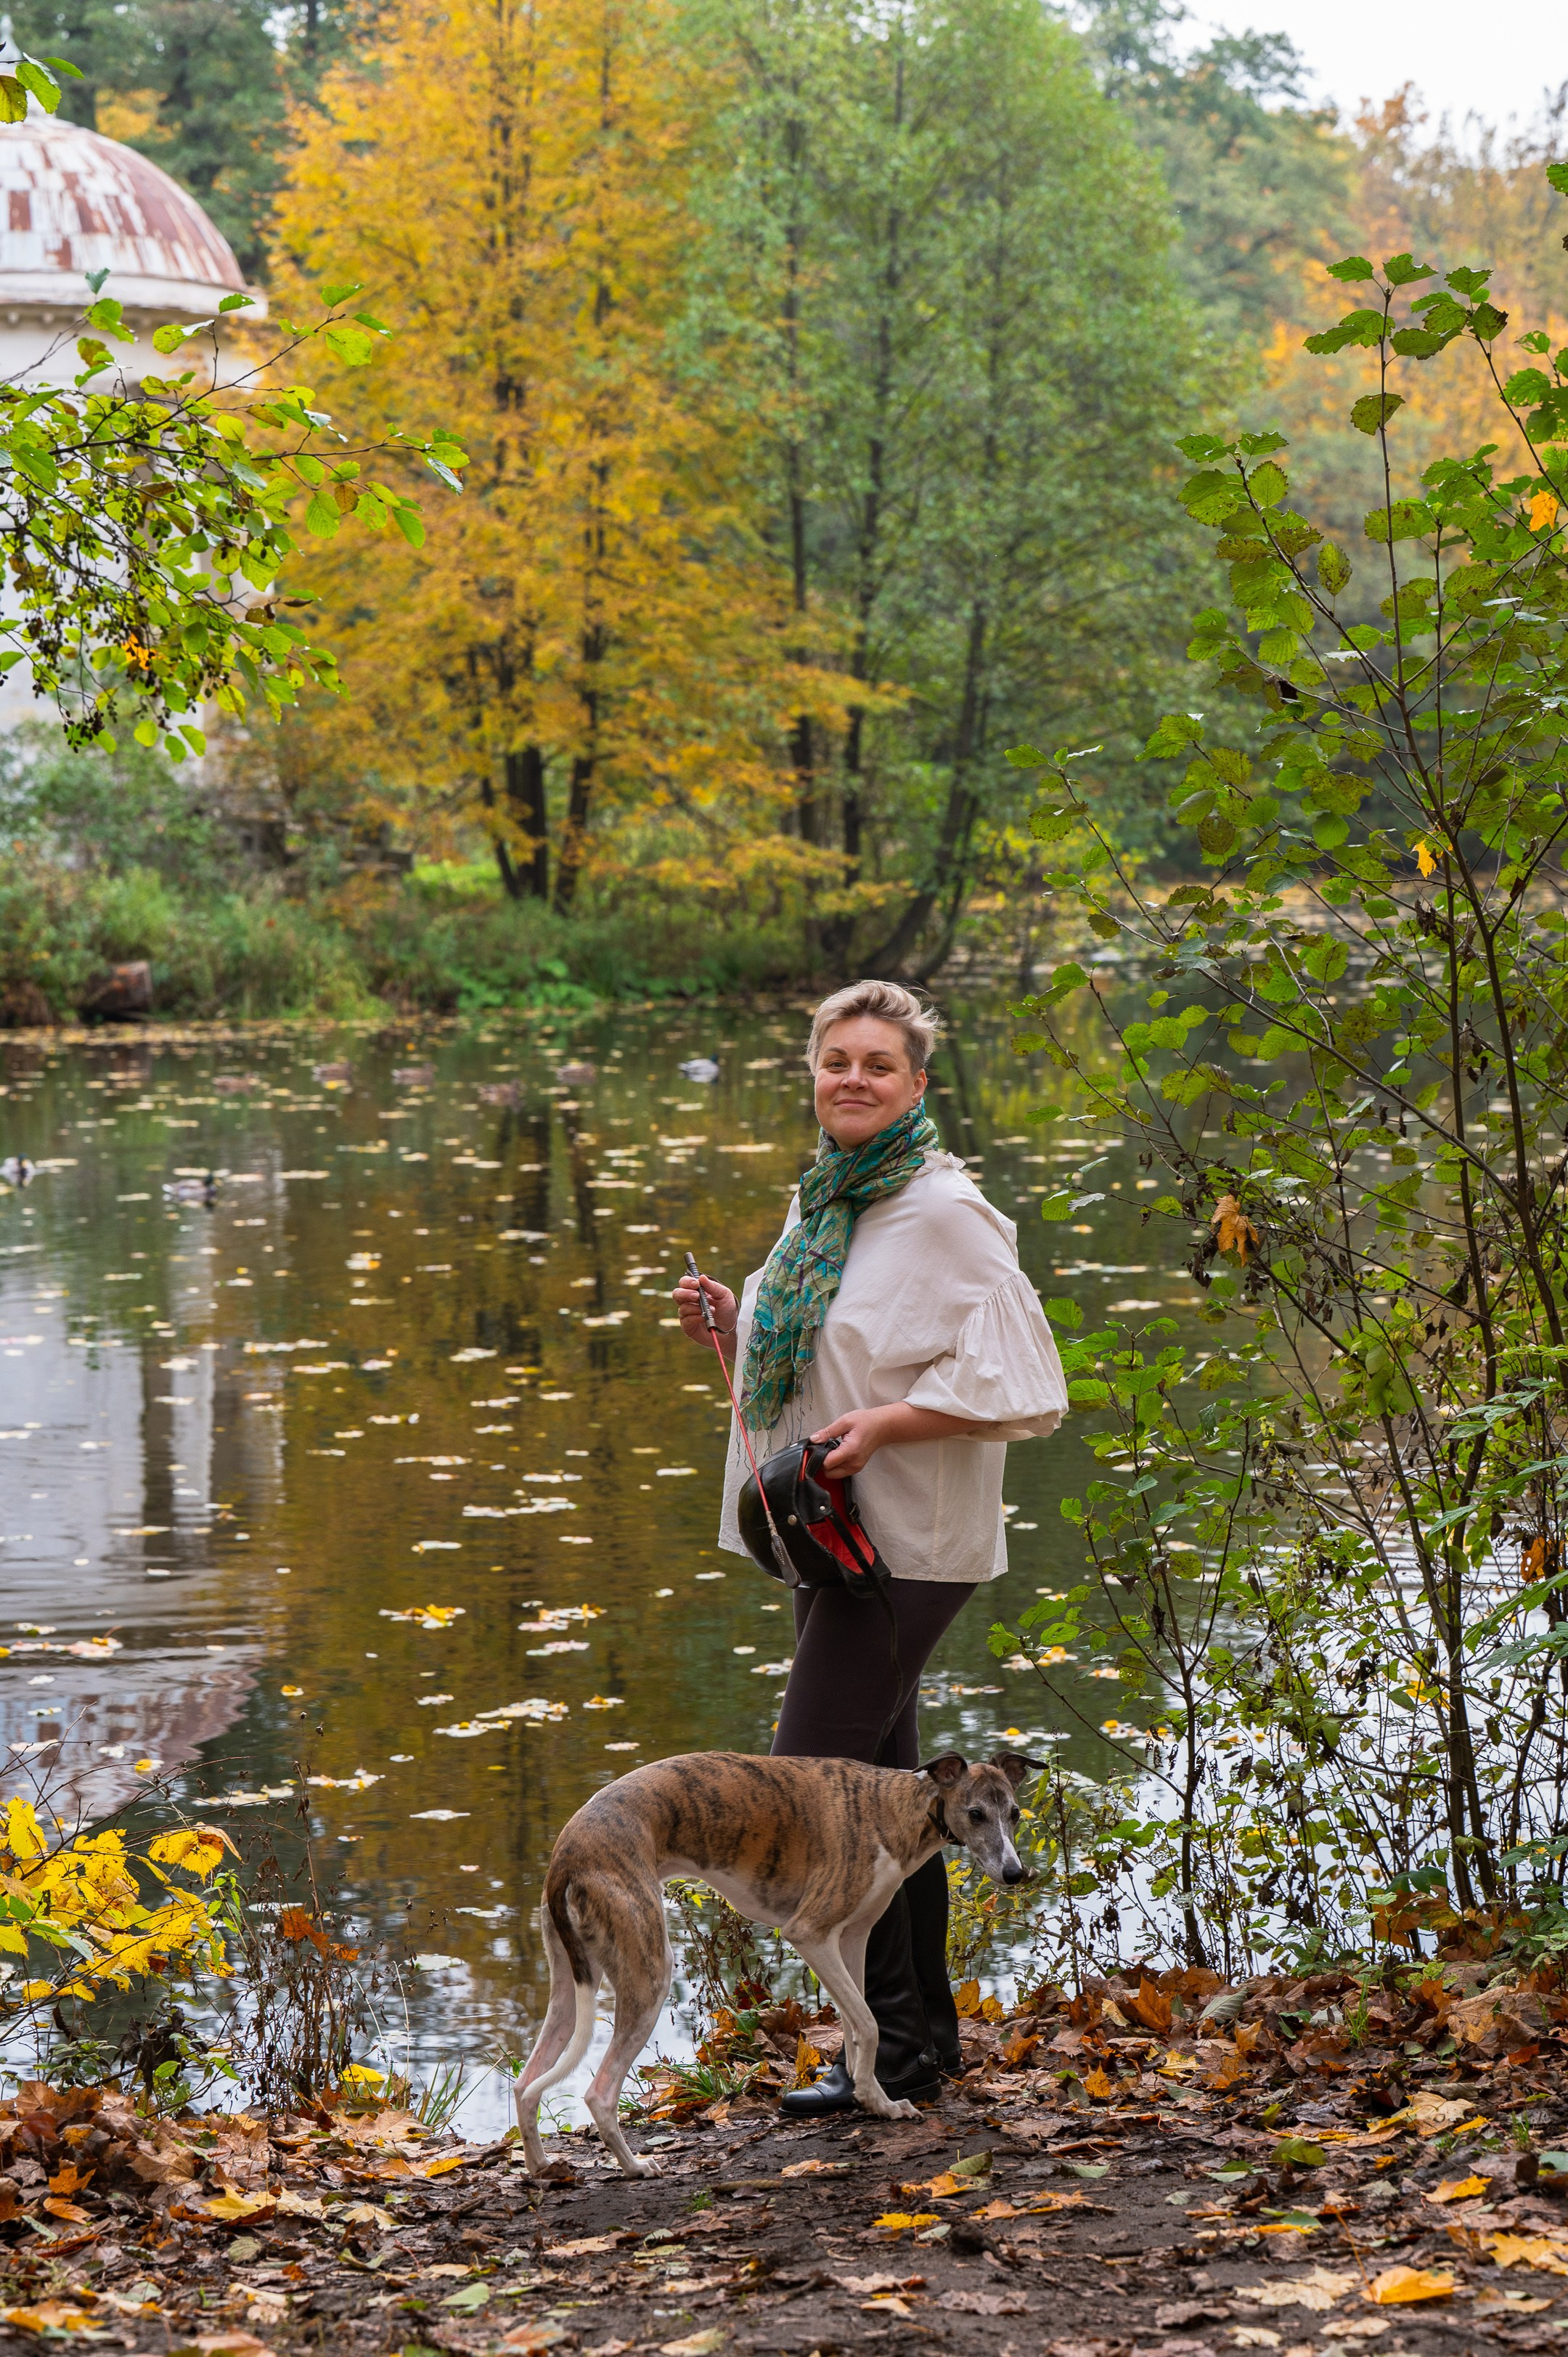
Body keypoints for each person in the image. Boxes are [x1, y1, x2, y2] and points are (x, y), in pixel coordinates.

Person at [673, 978, 1066, 2112]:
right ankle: (915, 2044)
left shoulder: (946, 1213)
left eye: (876, 1063)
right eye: (835, 1059)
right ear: (815, 1073)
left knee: (810, 1797)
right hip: (829, 1536)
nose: (852, 1077)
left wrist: (892, 1425)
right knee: (893, 1799)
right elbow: (842, 1349)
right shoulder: (826, 1202)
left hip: (908, 1544)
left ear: (918, 1084)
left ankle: (886, 2051)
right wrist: (736, 1325)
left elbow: (1027, 1381)